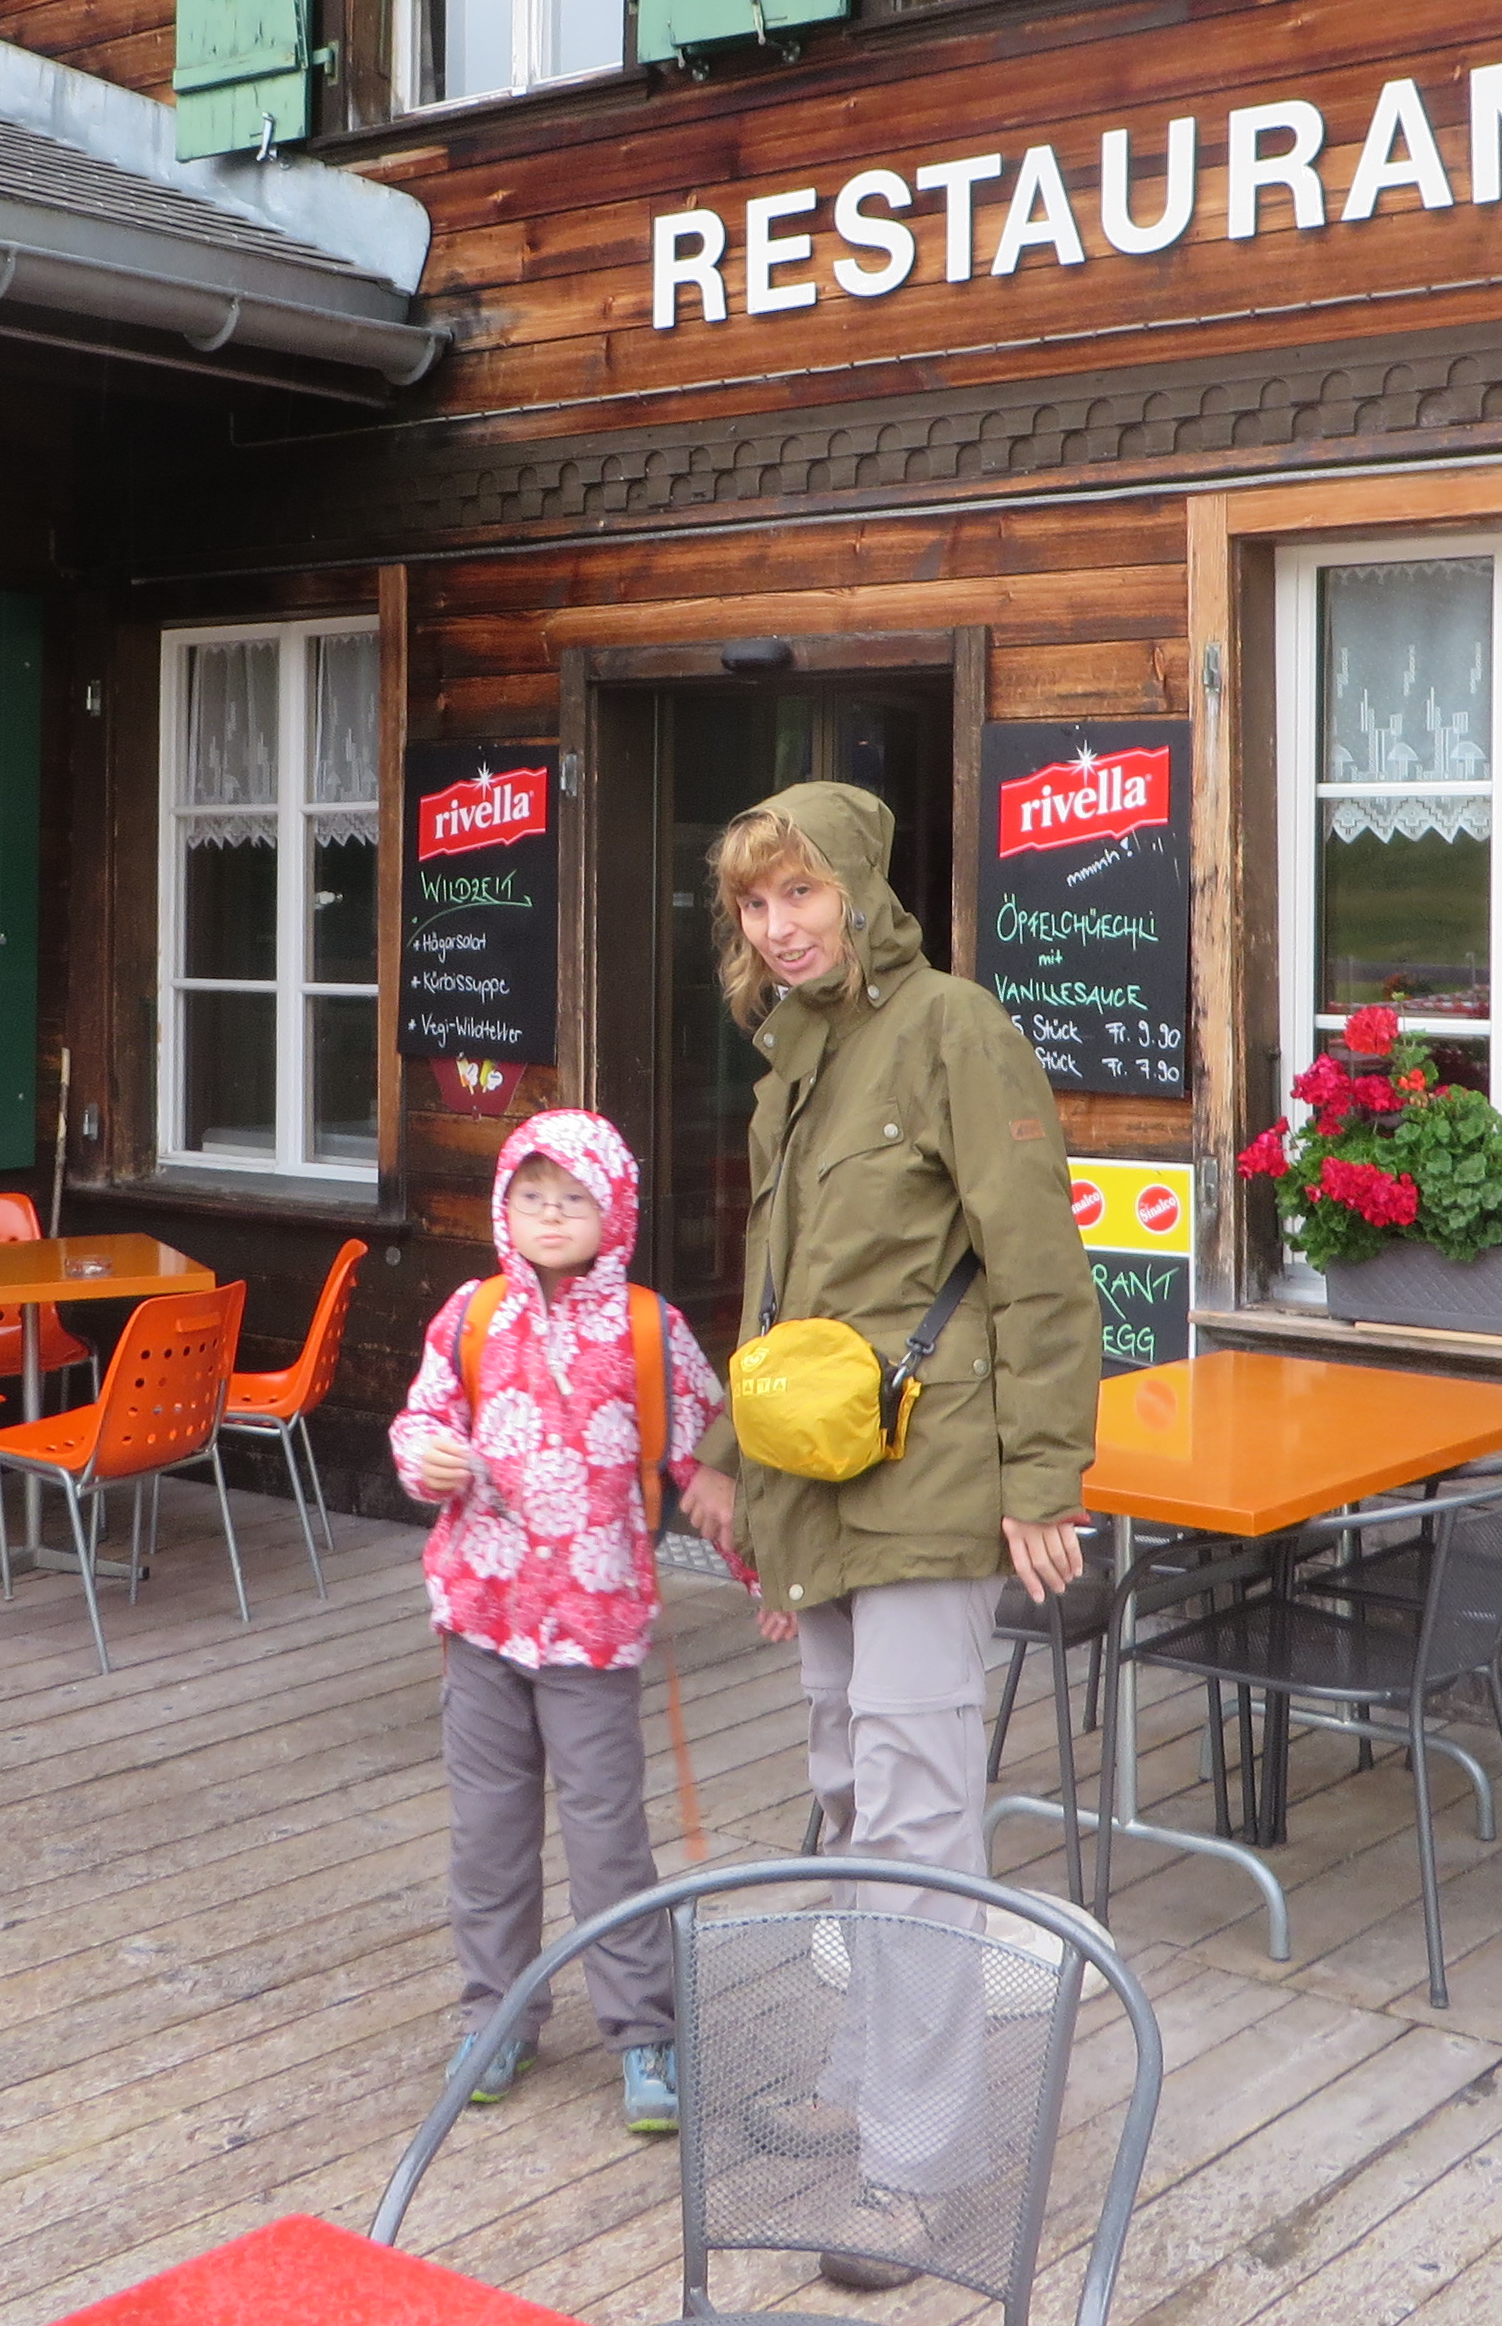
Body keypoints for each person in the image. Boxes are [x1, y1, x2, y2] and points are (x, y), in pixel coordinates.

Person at [678, 781, 1102, 2291]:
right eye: (754, 904)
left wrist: (1042, 1478)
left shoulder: (952, 1027)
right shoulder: (794, 1056)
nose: (779, 927)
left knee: (920, 1827)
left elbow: (1041, 1266)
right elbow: (778, 1294)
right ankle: (862, 2076)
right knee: (848, 1792)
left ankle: (916, 2170)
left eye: (801, 893)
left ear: (861, 888)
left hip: (933, 1485)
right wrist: (729, 1461)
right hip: (816, 1480)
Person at [389, 1107, 725, 2140]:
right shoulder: (470, 1313)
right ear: (504, 1206)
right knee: (487, 1840)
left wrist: (772, 1577)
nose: (548, 1215)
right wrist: (425, 1459)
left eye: (572, 1198)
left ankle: (643, 2032)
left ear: (613, 1209)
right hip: (480, 1617)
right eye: (530, 1196)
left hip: (594, 1630)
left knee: (607, 1839)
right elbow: (421, 1420)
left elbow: (711, 1462)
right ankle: (496, 2018)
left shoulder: (649, 1327)